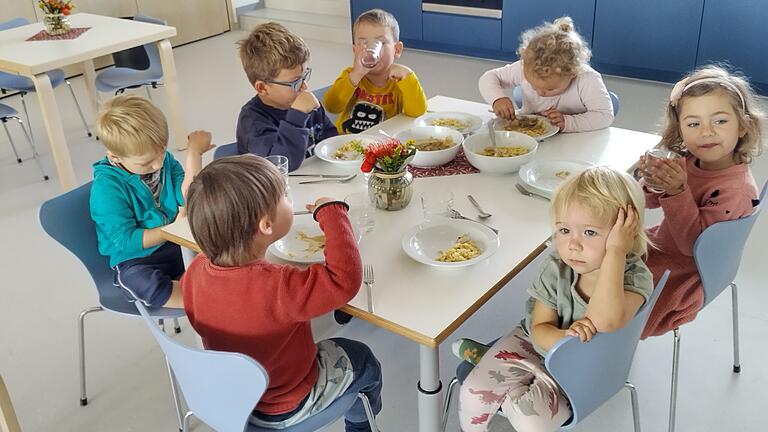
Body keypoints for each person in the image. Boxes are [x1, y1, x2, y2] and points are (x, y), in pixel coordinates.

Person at [181, 155, 382, 431]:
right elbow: (344, 281)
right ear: (265, 225)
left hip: (237, 397)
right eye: (285, 197)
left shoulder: (195, 271)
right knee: (363, 359)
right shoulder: (279, 286)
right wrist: (332, 212)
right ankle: (360, 427)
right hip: (286, 403)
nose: (289, 202)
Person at [455, 167, 653, 431]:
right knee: (473, 391)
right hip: (538, 342)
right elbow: (538, 330)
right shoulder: (556, 266)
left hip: (584, 366)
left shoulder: (636, 278)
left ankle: (489, 358)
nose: (573, 244)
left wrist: (616, 252)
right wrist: (565, 339)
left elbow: (604, 322)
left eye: (590, 232)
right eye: (564, 230)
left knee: (529, 418)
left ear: (626, 233)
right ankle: (498, 364)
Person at [639, 65, 764, 338]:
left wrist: (676, 192)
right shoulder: (689, 159)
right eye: (694, 124)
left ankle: (588, 350)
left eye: (720, 121)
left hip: (686, 269)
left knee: (612, 299)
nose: (706, 132)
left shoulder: (736, 190)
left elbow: (691, 247)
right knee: (589, 258)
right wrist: (651, 179)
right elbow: (647, 202)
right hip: (661, 246)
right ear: (680, 130)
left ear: (744, 125)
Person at [90, 94, 214, 308]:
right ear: (115, 156)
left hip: (176, 243)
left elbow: (189, 196)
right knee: (138, 280)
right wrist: (172, 230)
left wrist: (194, 153)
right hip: (137, 258)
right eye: (146, 162)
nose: (158, 164)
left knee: (222, 242)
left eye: (162, 151)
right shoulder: (106, 189)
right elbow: (126, 241)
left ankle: (205, 284)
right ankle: (200, 301)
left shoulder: (163, 160)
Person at [478, 16, 613, 132]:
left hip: (574, 142)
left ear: (572, 73)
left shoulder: (587, 79)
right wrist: (498, 98)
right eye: (533, 86)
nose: (540, 93)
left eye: (549, 89)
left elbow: (604, 116)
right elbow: (488, 78)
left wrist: (567, 122)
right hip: (531, 138)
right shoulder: (526, 65)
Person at [235, 22, 337, 171]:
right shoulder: (253, 122)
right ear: (263, 88)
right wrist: (297, 117)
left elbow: (331, 142)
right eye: (294, 82)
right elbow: (279, 168)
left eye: (304, 77)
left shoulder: (304, 102)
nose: (304, 87)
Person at [323, 8, 427, 134]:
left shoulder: (400, 80)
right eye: (363, 43)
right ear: (355, 50)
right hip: (347, 144)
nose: (371, 50)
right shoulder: (351, 76)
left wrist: (409, 77)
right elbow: (331, 106)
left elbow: (417, 112)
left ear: (397, 49)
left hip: (383, 145)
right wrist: (355, 75)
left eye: (380, 43)